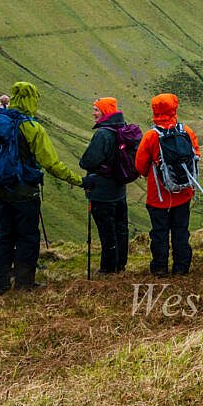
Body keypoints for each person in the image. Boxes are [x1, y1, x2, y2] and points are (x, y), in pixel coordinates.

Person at [0, 82, 82, 293]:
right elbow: (51, 164)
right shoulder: (32, 128)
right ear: (32, 100)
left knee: (3, 236)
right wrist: (77, 180)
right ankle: (24, 284)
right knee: (27, 237)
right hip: (24, 193)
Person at [135, 93, 200, 276]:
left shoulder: (151, 136)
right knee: (181, 231)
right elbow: (196, 156)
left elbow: (139, 165)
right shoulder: (186, 131)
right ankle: (181, 268)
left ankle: (160, 268)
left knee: (159, 233)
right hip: (184, 192)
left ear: (155, 110)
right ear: (174, 108)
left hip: (158, 196)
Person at [78, 97, 131, 274]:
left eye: (96, 110)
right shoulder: (122, 129)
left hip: (102, 192)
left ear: (105, 112)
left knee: (107, 231)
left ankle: (108, 269)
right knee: (121, 228)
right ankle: (120, 265)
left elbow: (87, 161)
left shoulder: (102, 134)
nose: (93, 113)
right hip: (119, 189)